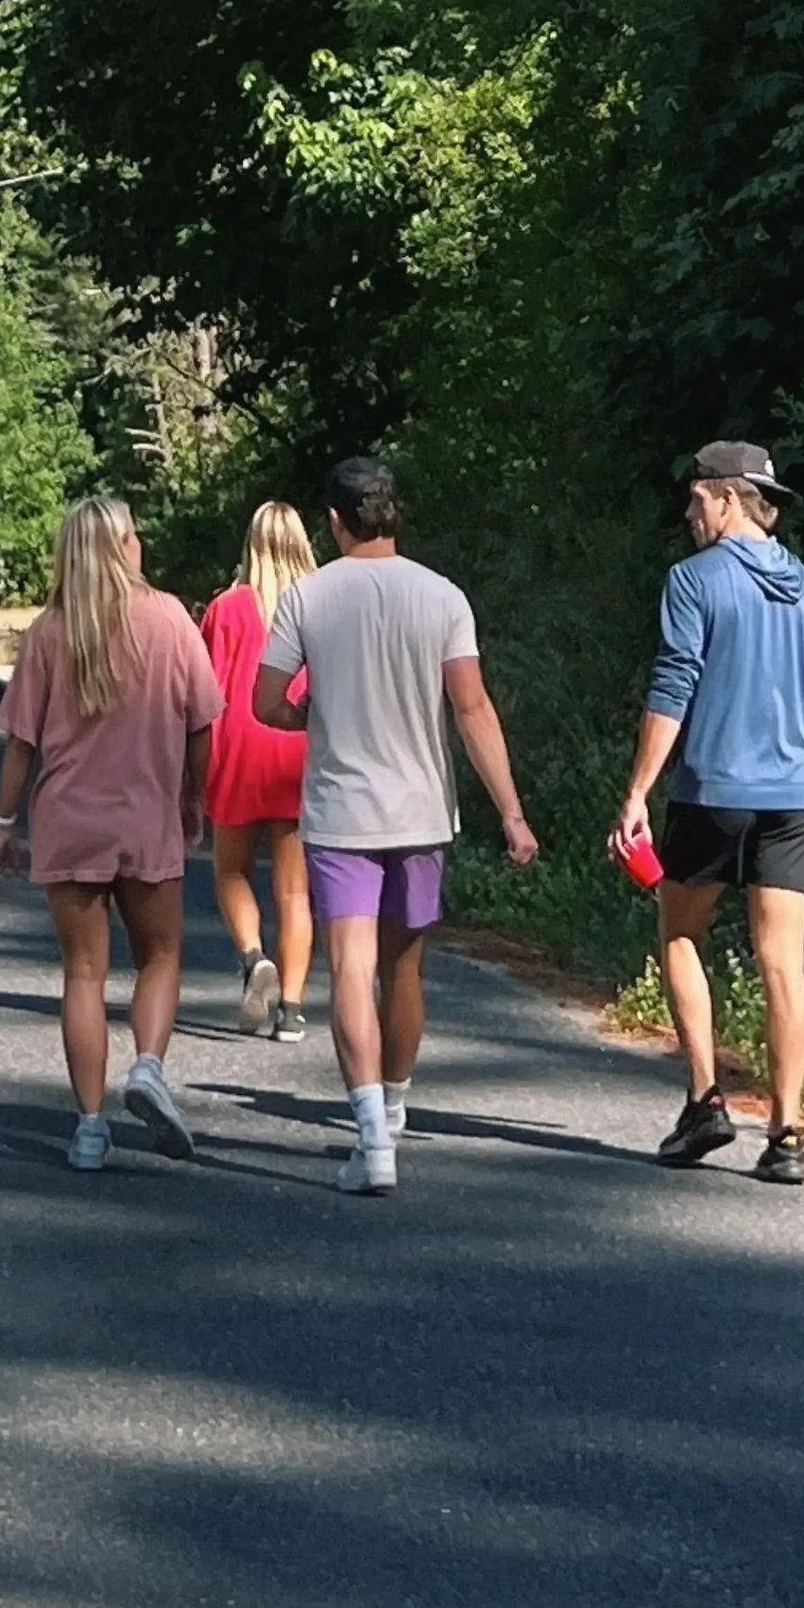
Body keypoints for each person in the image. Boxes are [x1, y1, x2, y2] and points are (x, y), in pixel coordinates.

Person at [252, 455, 539, 1196]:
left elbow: (265, 701)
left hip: (341, 813)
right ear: (392, 514)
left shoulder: (308, 597)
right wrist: (511, 812)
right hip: (420, 812)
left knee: (349, 968)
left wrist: (308, 715)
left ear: (335, 521)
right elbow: (471, 708)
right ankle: (398, 1100)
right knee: (403, 969)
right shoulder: (443, 597)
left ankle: (372, 1139)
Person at [616, 440, 804, 1186]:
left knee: (680, 930)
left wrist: (637, 792)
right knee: (783, 963)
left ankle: (705, 1101)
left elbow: (674, 684)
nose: (690, 515)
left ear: (726, 498)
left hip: (712, 794)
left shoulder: (694, 581)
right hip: (793, 801)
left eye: (696, 500)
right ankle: (786, 1135)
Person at [0, 497, 223, 1170]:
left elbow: (19, 744)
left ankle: (90, 1128)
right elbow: (203, 723)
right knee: (160, 956)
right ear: (123, 546)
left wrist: (4, 823)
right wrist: (194, 797)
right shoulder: (170, 619)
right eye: (135, 536)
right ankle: (148, 1066)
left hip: (68, 822)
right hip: (148, 816)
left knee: (84, 974)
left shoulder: (48, 631)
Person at [200, 501, 320, 1040]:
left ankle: (254, 957)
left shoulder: (226, 608)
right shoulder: (320, 603)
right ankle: (290, 1012)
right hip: (300, 747)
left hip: (239, 749)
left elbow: (205, 689)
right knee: (294, 892)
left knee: (231, 871)